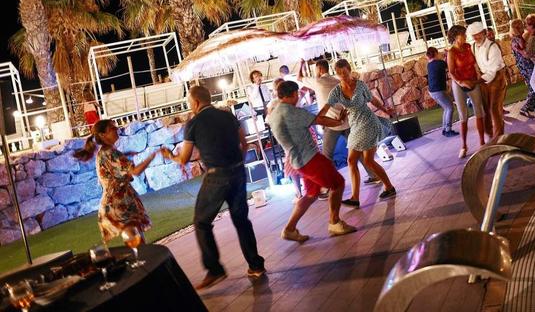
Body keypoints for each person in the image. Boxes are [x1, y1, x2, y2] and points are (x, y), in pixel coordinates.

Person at [163, 85, 265, 290]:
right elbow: (244, 144)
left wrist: (170, 156)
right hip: (237, 173)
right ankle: (256, 266)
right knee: (241, 220)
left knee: (201, 222)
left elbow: (184, 159)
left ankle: (215, 269)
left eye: (189, 102)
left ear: (196, 102)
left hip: (217, 177)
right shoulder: (227, 115)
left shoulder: (193, 123)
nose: (189, 106)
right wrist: (237, 164)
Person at [270, 81, 358, 242]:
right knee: (337, 183)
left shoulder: (274, 113)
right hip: (309, 158)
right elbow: (320, 120)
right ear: (293, 94)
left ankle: (289, 229)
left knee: (311, 194)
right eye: (297, 94)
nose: (299, 97)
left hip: (297, 160)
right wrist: (339, 122)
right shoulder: (291, 112)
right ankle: (334, 222)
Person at [319, 59, 396, 207]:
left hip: (368, 122)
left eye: (345, 72)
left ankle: (387, 187)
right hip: (355, 126)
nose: (343, 76)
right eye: (339, 74)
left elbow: (372, 100)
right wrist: (317, 119)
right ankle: (358, 197)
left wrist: (386, 110)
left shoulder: (360, 85)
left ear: (349, 69)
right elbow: (325, 108)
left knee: (366, 160)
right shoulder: (336, 91)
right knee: (353, 161)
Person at [73, 119, 158, 244]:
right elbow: (135, 171)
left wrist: (126, 155)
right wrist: (152, 156)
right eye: (112, 129)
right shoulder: (111, 153)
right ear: (103, 135)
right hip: (119, 205)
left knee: (138, 243)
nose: (116, 130)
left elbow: (117, 170)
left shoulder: (105, 152)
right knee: (138, 245)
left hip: (120, 202)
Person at [298, 59, 379, 185]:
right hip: (346, 121)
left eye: (315, 70)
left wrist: (301, 64)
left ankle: (328, 184)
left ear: (319, 69)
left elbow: (299, 77)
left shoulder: (318, 82)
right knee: (358, 149)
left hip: (332, 124)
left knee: (327, 155)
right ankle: (373, 175)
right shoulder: (337, 81)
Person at [446, 24, 486, 159]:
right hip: (459, 84)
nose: (465, 36)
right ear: (456, 37)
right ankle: (464, 146)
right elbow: (451, 72)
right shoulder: (451, 52)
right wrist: (461, 82)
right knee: (463, 115)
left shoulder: (468, 47)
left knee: (479, 111)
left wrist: (479, 74)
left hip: (473, 81)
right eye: (462, 34)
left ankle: (482, 142)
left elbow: (474, 62)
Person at [467, 22, 507, 140]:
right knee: (485, 109)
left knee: (494, 109)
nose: (476, 37)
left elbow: (491, 73)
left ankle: (499, 138)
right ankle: (490, 135)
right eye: (473, 35)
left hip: (497, 78)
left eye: (478, 34)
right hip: (482, 79)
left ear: (484, 33)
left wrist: (474, 82)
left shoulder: (493, 47)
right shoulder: (473, 46)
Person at [510, 19, 535, 117]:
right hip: (526, 65)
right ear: (517, 28)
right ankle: (525, 108)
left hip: (523, 65)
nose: (523, 26)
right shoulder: (518, 39)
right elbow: (525, 54)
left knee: (533, 84)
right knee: (534, 85)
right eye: (521, 25)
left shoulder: (516, 38)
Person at [426, 47, 457, 137]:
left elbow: (443, 63)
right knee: (450, 108)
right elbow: (448, 64)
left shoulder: (430, 64)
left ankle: (445, 129)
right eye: (438, 52)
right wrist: (448, 55)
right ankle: (448, 130)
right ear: (435, 53)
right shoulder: (440, 63)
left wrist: (446, 56)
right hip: (438, 91)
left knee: (446, 108)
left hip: (433, 91)